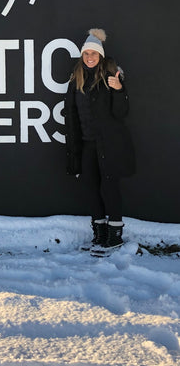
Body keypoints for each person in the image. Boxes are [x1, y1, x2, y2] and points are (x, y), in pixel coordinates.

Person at [64, 28, 135, 252]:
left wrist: (119, 90)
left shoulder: (111, 76)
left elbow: (121, 113)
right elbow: (73, 116)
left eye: (94, 54)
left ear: (100, 56)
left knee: (109, 187)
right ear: (82, 56)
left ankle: (115, 236)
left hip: (109, 144)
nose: (90, 58)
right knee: (91, 188)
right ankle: (100, 233)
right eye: (86, 54)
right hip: (87, 144)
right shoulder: (76, 79)